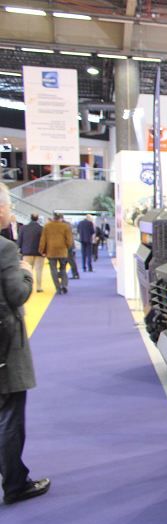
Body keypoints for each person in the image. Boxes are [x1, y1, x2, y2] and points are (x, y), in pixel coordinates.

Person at [0, 183, 51, 504]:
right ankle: (16, 484)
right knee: (10, 417)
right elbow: (17, 294)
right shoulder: (5, 249)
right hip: (5, 348)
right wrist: (26, 273)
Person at [39, 213, 73, 295]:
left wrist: (42, 250)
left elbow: (43, 240)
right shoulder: (65, 226)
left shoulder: (47, 226)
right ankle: (64, 284)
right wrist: (67, 247)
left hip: (51, 251)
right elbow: (69, 240)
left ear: (53, 218)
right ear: (61, 218)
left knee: (53, 269)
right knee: (63, 268)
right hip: (62, 251)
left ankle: (57, 287)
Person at [18, 214, 44, 293]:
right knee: (39, 270)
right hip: (39, 252)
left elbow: (20, 240)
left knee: (27, 270)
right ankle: (39, 287)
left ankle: (28, 287)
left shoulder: (23, 228)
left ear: (30, 218)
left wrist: (19, 249)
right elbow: (44, 241)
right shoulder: (41, 229)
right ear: (37, 219)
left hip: (27, 252)